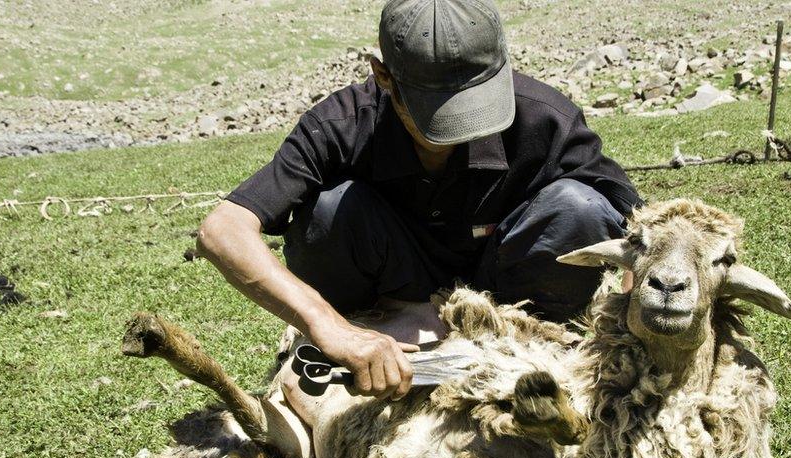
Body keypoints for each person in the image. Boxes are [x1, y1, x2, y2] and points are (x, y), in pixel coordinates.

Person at [197, 0, 642, 404]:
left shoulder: (545, 117)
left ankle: (528, 343)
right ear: (383, 76)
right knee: (328, 211)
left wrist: (631, 333)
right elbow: (223, 230)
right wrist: (329, 328)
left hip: (511, 298)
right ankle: (376, 334)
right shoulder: (341, 123)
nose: (466, 127)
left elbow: (641, 225)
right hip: (389, 295)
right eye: (441, 110)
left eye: (476, 102)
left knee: (581, 207)